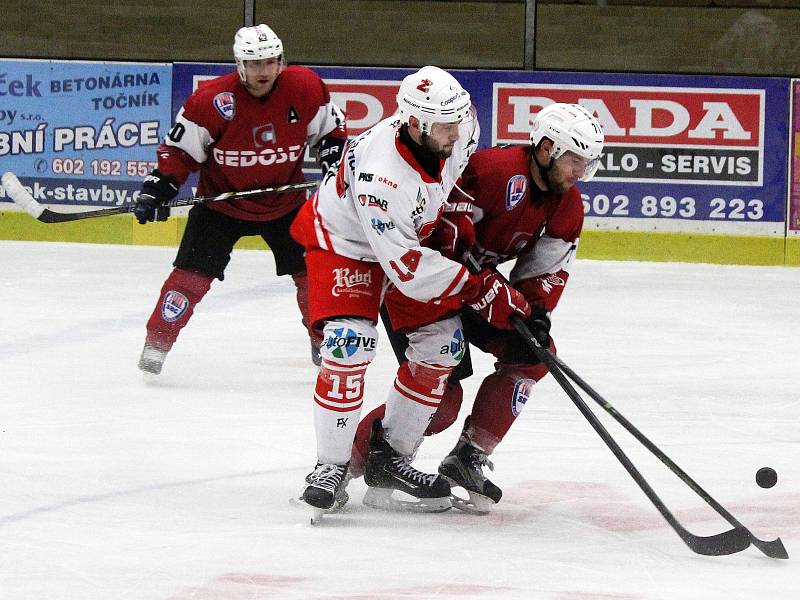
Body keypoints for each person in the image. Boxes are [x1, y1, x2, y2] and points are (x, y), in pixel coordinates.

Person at [289, 65, 532, 517]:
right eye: (445, 126)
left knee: (443, 346)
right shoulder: (383, 178)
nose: (456, 133)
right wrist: (477, 287)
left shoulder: (458, 125)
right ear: (415, 123)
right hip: (347, 246)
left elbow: (449, 185)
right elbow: (406, 271)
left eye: (459, 121)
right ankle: (331, 466)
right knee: (348, 345)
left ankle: (389, 460)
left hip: (409, 240)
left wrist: (451, 220)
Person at [349, 102, 605, 513]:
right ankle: (351, 462)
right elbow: (441, 240)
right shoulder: (493, 170)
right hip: (422, 282)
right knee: (443, 403)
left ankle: (466, 458)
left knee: (535, 354)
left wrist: (536, 313)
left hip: (472, 286)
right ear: (545, 148)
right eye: (574, 161)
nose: (579, 173)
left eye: (586, 163)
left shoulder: (568, 205)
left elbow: (545, 273)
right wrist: (484, 289)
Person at [133, 23, 347, 375]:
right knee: (190, 278)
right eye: (255, 63)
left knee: (314, 275)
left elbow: (330, 131)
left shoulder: (305, 86)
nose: (264, 71)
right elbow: (179, 152)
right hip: (220, 205)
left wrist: (333, 160)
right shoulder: (211, 102)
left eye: (270, 61)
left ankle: (322, 341)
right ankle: (158, 341)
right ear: (239, 65)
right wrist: (159, 188)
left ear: (281, 61)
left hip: (285, 203)